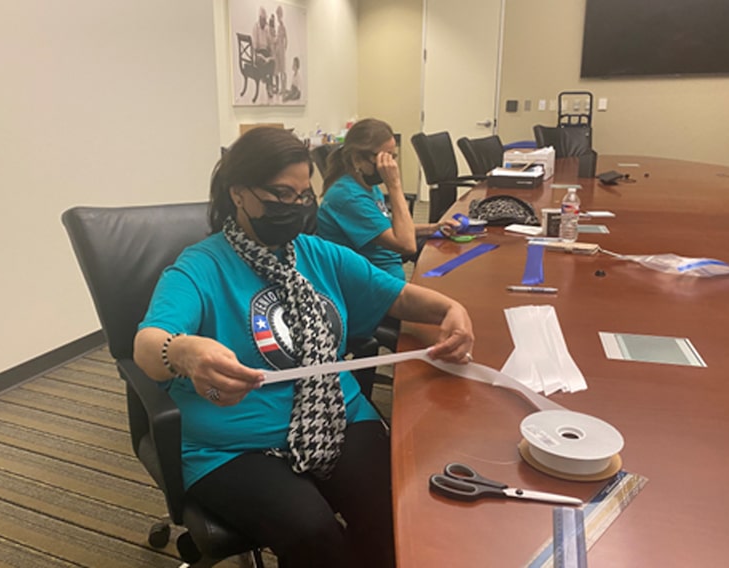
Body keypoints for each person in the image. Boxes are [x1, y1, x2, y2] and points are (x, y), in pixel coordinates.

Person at [134, 127, 474, 568]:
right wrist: (185, 352)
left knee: (396, 515)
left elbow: (398, 296)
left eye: (302, 196)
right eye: (280, 194)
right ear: (239, 193)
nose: (293, 207)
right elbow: (147, 343)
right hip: (236, 443)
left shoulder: (316, 254)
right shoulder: (201, 266)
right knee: (314, 536)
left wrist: (451, 310)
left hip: (337, 413)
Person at [316, 118, 461, 281]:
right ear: (357, 159)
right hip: (370, 283)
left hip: (386, 275)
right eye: (384, 158)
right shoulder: (348, 197)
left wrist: (433, 228)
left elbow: (388, 228)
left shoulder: (366, 184)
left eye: (392, 156)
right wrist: (394, 185)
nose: (390, 164)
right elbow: (406, 245)